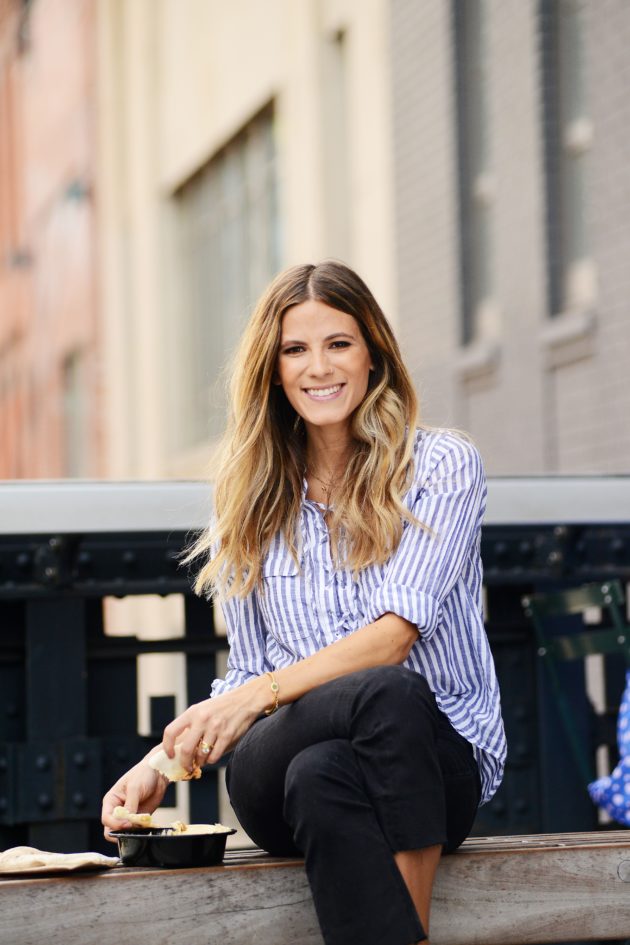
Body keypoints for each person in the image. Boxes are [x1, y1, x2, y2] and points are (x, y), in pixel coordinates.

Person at [102, 260, 506, 945]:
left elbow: (393, 637)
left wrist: (255, 696)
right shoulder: (257, 496)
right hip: (274, 767)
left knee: (355, 735)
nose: (319, 366)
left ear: (372, 352)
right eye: (296, 349)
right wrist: (160, 763)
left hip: (437, 769)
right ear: (274, 369)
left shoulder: (442, 467)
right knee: (351, 721)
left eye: (338, 343)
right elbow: (249, 672)